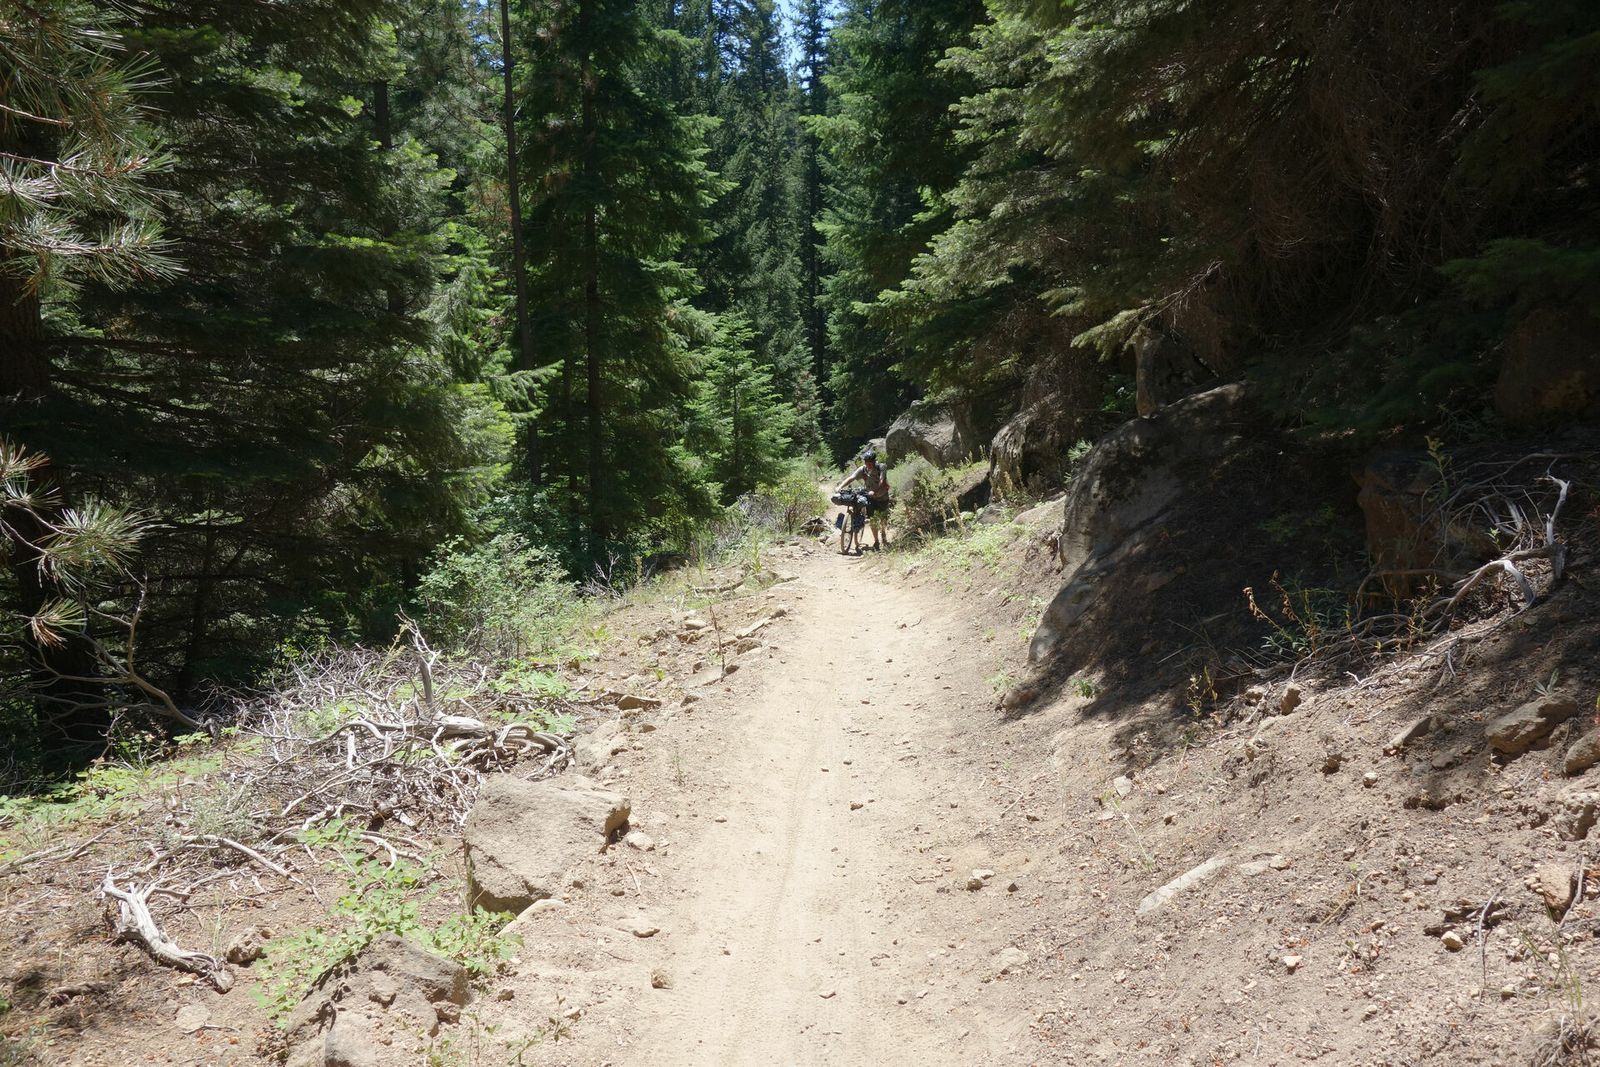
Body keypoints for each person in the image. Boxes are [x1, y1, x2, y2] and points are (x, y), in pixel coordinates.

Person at [837, 448, 890, 550]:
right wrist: (840, 486)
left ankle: (883, 534)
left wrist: (874, 491)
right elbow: (852, 477)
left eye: (870, 463)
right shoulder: (863, 469)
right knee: (873, 519)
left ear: (874, 461)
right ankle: (876, 541)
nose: (868, 465)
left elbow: (882, 481)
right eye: (866, 463)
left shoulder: (881, 467)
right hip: (871, 498)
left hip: (882, 496)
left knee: (883, 519)